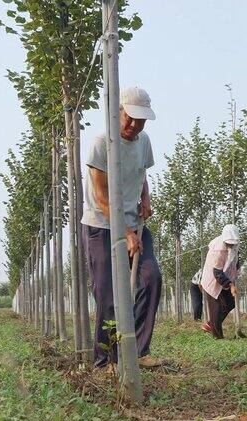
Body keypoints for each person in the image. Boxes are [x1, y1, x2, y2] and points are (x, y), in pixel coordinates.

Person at [82, 87, 163, 371]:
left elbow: (141, 175)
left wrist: (145, 199)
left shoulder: (144, 143)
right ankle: (104, 362)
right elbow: (102, 198)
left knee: (152, 278)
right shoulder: (102, 144)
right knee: (107, 296)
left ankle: (139, 350)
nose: (133, 126)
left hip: (134, 225)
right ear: (119, 112)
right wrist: (125, 233)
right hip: (102, 226)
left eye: (140, 121)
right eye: (130, 118)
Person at [199, 224, 241, 339]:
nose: (231, 245)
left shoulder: (236, 244)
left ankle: (210, 324)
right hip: (213, 278)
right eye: (229, 243)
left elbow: (236, 259)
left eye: (233, 243)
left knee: (230, 303)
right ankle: (218, 337)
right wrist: (230, 285)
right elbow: (217, 272)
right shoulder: (218, 249)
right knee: (216, 308)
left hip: (226, 275)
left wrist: (236, 273)